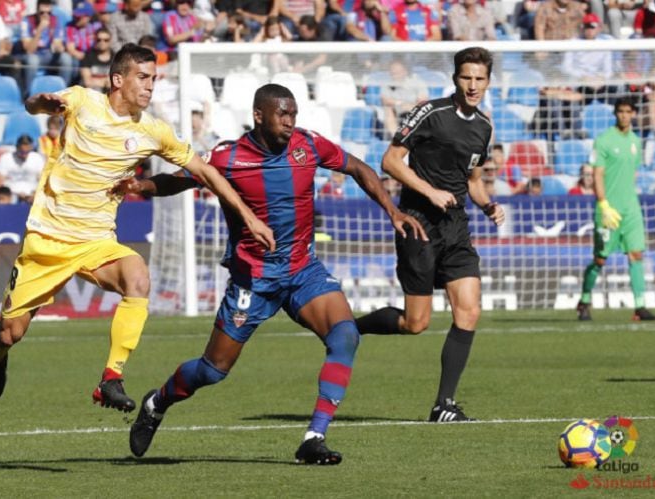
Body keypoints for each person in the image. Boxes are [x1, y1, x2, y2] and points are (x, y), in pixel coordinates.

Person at [114, 83, 426, 463]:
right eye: (283, 114)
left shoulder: (308, 145)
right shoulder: (229, 157)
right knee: (213, 370)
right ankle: (157, 401)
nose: (290, 122)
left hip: (302, 271)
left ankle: (314, 437)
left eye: (294, 114)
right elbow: (179, 180)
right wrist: (141, 185)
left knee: (345, 336)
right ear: (258, 115)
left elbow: (358, 168)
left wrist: (392, 211)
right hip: (253, 281)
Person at [0, 44, 274, 414]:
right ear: (118, 79)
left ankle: (111, 378)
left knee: (138, 276)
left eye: (154, 78)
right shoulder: (82, 100)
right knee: (11, 332)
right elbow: (33, 106)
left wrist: (249, 217)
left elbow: (206, 173)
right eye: (143, 77)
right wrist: (41, 103)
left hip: (97, 242)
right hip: (48, 240)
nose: (151, 86)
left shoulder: (154, 131)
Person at [353, 47, 505, 423]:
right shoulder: (430, 113)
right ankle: (350, 328)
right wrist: (429, 191)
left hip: (456, 227)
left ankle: (444, 405)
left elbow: (472, 181)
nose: (472, 85)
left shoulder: (484, 127)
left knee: (469, 311)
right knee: (416, 324)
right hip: (419, 223)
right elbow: (390, 161)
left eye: (479, 79)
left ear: (488, 81)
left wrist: (488, 205)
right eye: (466, 77)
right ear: (455, 78)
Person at [576, 98, 655, 322]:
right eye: (620, 112)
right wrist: (603, 204)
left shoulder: (636, 141)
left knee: (636, 254)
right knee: (600, 260)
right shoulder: (604, 140)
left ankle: (640, 307)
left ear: (633, 114)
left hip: (631, 208)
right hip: (608, 210)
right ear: (615, 114)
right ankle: (584, 301)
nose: (624, 115)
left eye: (628, 112)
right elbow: (597, 175)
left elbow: (631, 174)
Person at [20, 0, 75, 90]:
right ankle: (29, 93)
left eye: (48, 13)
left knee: (66, 58)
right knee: (32, 60)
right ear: (37, 11)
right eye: (42, 13)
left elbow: (58, 44)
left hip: (48, 54)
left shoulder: (55, 20)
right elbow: (29, 50)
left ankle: (63, 91)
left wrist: (58, 47)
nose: (45, 15)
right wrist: (40, 30)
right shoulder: (27, 20)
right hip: (33, 55)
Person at [0, 134, 46, 203]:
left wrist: (35, 194)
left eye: (27, 152)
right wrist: (12, 195)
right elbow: (0, 182)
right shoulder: (6, 158)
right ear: (17, 148)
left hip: (32, 194)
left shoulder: (37, 159)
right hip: (11, 194)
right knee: (2, 199)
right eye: (22, 152)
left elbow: (42, 181)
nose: (24, 155)